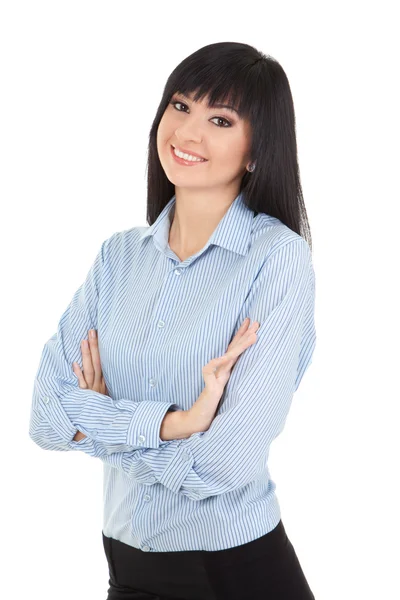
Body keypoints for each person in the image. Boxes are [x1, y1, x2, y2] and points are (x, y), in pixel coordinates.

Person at [29, 41, 317, 600]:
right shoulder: (118, 258)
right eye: (180, 106)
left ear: (258, 150)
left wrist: (101, 422)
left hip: (232, 571)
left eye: (220, 119)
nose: (188, 133)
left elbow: (225, 464)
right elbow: (44, 415)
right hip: (126, 566)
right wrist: (176, 424)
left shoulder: (277, 260)